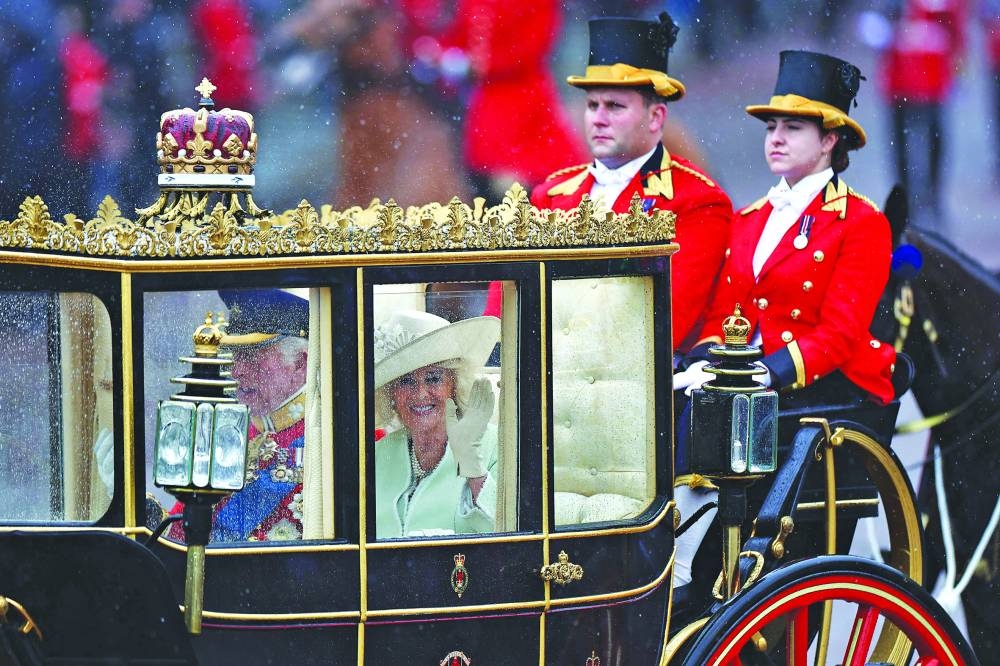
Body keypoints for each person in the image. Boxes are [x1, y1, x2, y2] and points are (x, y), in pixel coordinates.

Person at [672, 50, 898, 589]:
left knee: (719, 411)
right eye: (771, 126)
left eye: (792, 128)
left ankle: (683, 558)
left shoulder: (861, 223)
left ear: (829, 141)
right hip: (757, 379)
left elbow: (840, 335)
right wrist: (705, 361)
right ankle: (665, 536)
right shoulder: (749, 219)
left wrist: (763, 372)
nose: (774, 137)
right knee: (674, 392)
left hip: (821, 384)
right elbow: (725, 315)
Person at [530, 12, 732, 354]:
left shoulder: (697, 200)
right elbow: (506, 305)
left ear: (656, 118)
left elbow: (665, 322)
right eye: (592, 104)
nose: (598, 118)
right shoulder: (548, 194)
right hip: (543, 372)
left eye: (614, 106)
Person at [171, 289, 311, 542]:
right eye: (236, 356)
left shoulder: (333, 441)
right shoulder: (226, 435)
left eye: (252, 357)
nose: (237, 371)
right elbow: (178, 536)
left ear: (301, 363)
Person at [372, 310, 500, 538]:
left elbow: (506, 531)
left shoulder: (494, 445)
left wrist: (472, 465)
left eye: (433, 378)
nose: (420, 394)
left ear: (454, 384)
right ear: (391, 393)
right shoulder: (377, 455)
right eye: (406, 381)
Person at [878, 0, 966, 228]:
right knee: (900, 141)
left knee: (935, 138)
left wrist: (957, 71)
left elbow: (955, 28)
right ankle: (905, 198)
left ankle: (933, 196)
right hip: (900, 75)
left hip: (932, 74)